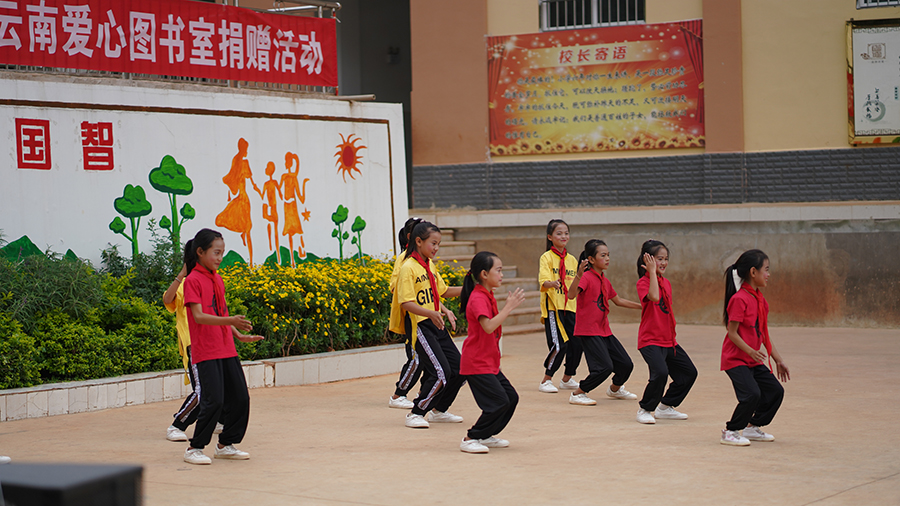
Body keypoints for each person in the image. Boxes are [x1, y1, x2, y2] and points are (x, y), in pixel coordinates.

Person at [181, 229, 264, 465]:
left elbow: (220, 313)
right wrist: (230, 321)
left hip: (226, 348)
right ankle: (194, 448)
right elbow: (199, 316)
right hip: (206, 350)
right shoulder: (193, 281)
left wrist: (237, 334)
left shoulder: (217, 278)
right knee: (214, 401)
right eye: (216, 253)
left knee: (240, 398)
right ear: (200, 252)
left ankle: (226, 444)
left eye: (222, 253)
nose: (219, 257)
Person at [394, 221, 464, 428]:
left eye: (439, 244)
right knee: (441, 372)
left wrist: (470, 288)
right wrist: (431, 313)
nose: (436, 248)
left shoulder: (429, 266)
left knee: (460, 370)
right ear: (418, 241)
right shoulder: (408, 267)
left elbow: (440, 291)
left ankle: (439, 410)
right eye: (433, 243)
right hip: (422, 326)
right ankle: (416, 412)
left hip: (436, 324)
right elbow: (406, 302)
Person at [720, 249, 790, 446]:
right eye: (766, 270)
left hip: (753, 359)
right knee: (752, 394)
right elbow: (732, 333)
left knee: (775, 390)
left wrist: (778, 360)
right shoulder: (739, 299)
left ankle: (752, 427)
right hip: (735, 359)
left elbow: (764, 335)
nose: (768, 274)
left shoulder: (760, 300)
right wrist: (750, 350)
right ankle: (731, 431)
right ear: (753, 272)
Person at [458, 252, 525, 453]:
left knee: (511, 398)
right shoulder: (478, 297)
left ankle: (486, 435)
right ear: (484, 274)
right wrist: (509, 308)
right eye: (498, 270)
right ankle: (471, 436)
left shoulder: (488, 295)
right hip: (476, 363)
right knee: (499, 402)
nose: (501, 274)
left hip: (489, 362)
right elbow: (487, 326)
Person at [565, 240, 642, 406]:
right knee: (604, 367)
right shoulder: (586, 277)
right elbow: (571, 295)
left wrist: (643, 306)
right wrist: (578, 275)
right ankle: (578, 393)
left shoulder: (604, 281)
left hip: (604, 330)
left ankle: (615, 389)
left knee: (626, 364)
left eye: (608, 255)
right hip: (588, 331)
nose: (607, 258)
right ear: (591, 259)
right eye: (603, 255)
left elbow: (618, 300)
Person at [634, 240, 698, 425]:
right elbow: (654, 297)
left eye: (665, 259)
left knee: (689, 373)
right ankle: (645, 409)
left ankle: (666, 406)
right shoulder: (643, 282)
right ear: (648, 260)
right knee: (660, 373)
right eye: (658, 259)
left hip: (669, 341)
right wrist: (652, 272)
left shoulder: (666, 283)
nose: (663, 263)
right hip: (650, 340)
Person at [162, 265, 224, 442]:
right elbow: (168, 299)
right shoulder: (187, 283)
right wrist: (181, 274)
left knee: (221, 385)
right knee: (202, 390)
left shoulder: (213, 281)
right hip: (195, 344)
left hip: (214, 342)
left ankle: (217, 421)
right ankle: (177, 425)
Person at [537, 219, 583, 393]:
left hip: (570, 307)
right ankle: (546, 380)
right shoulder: (546, 257)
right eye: (559, 233)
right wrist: (552, 283)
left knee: (578, 343)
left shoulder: (572, 260)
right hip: (553, 308)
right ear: (550, 237)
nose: (563, 236)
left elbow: (576, 283)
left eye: (566, 233)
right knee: (559, 345)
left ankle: (567, 378)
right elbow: (543, 281)